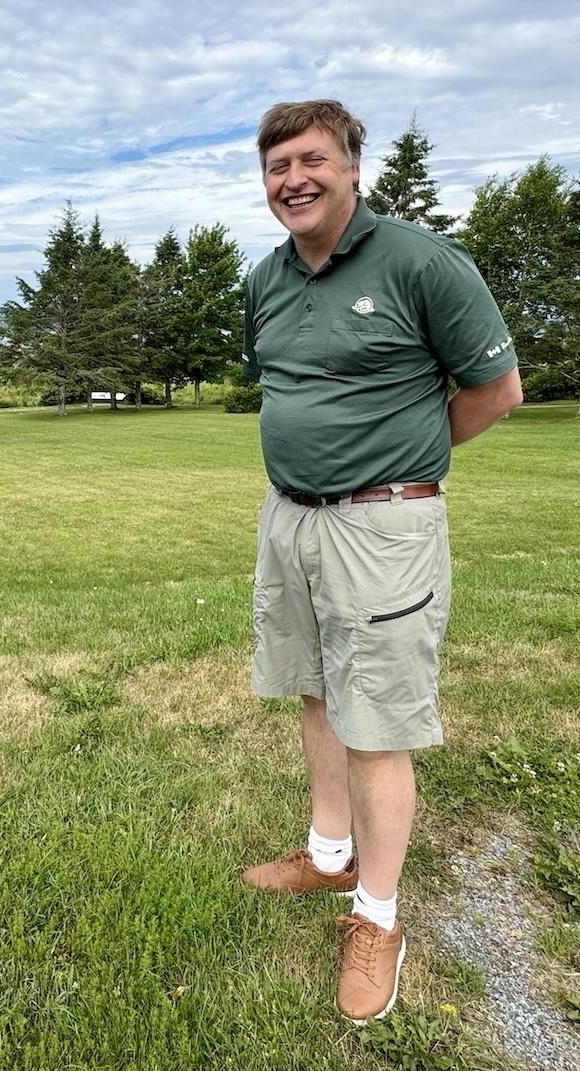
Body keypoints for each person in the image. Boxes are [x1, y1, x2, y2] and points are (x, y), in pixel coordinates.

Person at [238, 99, 522, 1023]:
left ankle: (380, 915)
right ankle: (329, 856)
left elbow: (495, 390)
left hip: (383, 529)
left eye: (312, 159)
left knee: (378, 720)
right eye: (278, 166)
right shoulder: (267, 279)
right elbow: (283, 380)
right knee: (318, 687)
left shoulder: (422, 261)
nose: (295, 180)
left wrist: (401, 462)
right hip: (291, 519)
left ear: (353, 166)